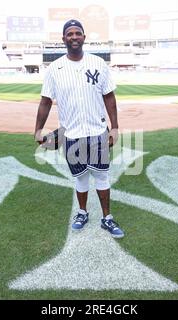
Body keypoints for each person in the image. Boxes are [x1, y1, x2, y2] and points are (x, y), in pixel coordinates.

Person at [34, 19, 124, 238]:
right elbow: (45, 101)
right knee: (81, 178)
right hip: (71, 134)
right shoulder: (54, 69)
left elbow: (109, 97)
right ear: (64, 39)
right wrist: (38, 129)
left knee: (102, 176)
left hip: (98, 132)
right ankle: (82, 213)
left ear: (84, 37)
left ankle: (107, 218)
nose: (74, 37)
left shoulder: (98, 64)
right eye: (70, 34)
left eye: (78, 33)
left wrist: (115, 128)